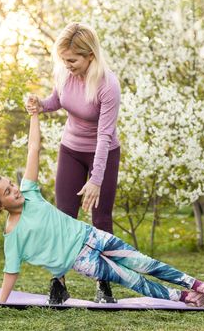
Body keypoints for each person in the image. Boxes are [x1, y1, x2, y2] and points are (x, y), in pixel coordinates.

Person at [0, 113, 204, 307]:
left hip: (92, 235)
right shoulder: (13, 235)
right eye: (7, 192)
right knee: (132, 280)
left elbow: (33, 148)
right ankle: (184, 297)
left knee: (144, 263)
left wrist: (34, 115)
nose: (14, 190)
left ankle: (198, 285)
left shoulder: (29, 192)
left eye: (11, 184)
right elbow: (11, 272)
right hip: (82, 260)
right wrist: (0, 303)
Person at [25, 22, 121, 303]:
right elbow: (57, 100)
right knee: (64, 217)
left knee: (101, 218)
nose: (66, 65)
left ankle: (104, 284)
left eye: (72, 60)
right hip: (71, 150)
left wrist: (96, 179)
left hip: (103, 154)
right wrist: (40, 104)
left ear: (90, 55)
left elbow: (104, 136)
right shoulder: (65, 74)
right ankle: (58, 283)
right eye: (63, 59)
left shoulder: (107, 85)